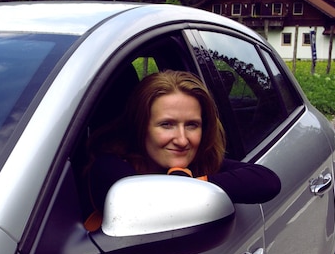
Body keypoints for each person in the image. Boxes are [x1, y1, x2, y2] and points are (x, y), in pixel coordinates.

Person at [84, 70, 281, 231]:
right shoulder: (108, 167)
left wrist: (192, 182)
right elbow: (143, 206)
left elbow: (267, 181)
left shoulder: (200, 162)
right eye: (167, 124)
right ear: (140, 125)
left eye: (192, 125)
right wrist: (190, 188)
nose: (182, 140)